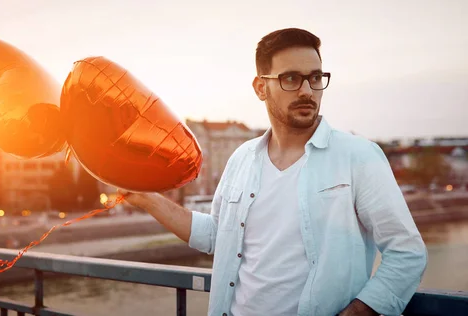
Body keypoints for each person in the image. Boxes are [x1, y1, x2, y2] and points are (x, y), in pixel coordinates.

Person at [118, 28, 427, 316]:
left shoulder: (358, 156)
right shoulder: (242, 158)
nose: (307, 90)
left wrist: (358, 312)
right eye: (291, 78)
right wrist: (147, 199)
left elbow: (407, 253)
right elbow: (216, 234)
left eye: (315, 77)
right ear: (260, 87)